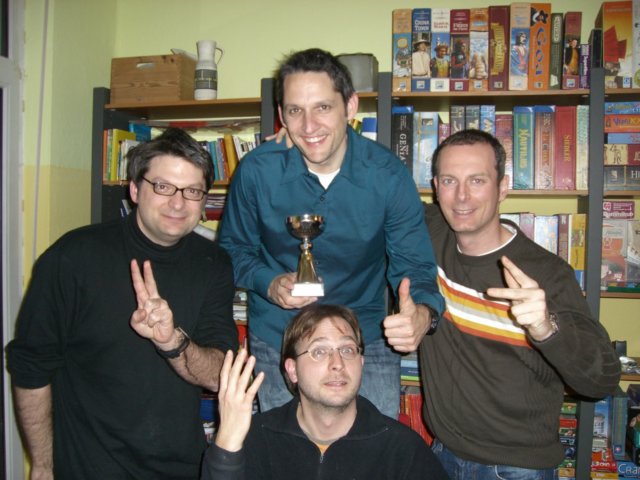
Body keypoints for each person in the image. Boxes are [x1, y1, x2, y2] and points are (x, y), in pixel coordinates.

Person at [218, 48, 444, 418]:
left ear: (350, 106)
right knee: (287, 448)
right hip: (280, 336)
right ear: (281, 116)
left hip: (363, 337)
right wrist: (268, 283)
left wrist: (422, 313)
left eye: (323, 107)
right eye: (295, 110)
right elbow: (232, 249)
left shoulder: (387, 176)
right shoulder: (257, 171)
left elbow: (415, 266)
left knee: (373, 449)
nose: (309, 126)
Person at [6, 128, 239, 479]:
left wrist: (172, 342)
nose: (178, 203)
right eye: (163, 187)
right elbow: (31, 367)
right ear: (134, 190)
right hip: (89, 468)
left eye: (192, 191)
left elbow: (220, 375)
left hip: (181, 467)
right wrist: (42, 464)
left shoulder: (214, 263)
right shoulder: (73, 257)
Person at [412, 129, 621, 479]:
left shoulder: (547, 273)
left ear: (503, 187)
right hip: (442, 454)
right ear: (435, 187)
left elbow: (602, 380)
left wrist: (546, 328)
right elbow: (378, 189)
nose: (462, 196)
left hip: (515, 469)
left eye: (477, 180)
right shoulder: (431, 234)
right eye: (449, 180)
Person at [201, 304, 450, 480]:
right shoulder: (255, 438)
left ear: (361, 363)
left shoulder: (402, 449)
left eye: (347, 350)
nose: (337, 363)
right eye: (319, 351)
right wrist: (226, 448)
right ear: (292, 370)